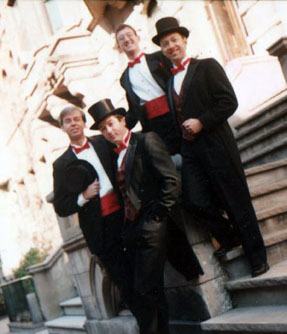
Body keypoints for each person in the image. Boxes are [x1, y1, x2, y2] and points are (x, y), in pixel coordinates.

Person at [87, 98, 200, 334]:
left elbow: (170, 181)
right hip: (134, 230)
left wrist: (157, 217)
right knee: (149, 293)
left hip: (154, 226)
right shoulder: (116, 155)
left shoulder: (146, 140)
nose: (109, 131)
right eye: (103, 128)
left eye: (111, 123)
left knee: (145, 291)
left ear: (123, 121)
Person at [154, 17, 269, 278]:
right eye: (165, 43)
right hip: (192, 151)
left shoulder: (206, 66)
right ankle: (229, 237)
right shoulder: (170, 82)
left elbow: (229, 102)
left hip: (218, 145)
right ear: (162, 50)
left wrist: (201, 122)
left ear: (184, 41)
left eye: (174, 40)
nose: (171, 46)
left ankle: (257, 258)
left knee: (236, 201)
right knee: (194, 200)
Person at [52, 106, 131, 297]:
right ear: (62, 127)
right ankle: (148, 325)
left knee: (142, 272)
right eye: (68, 121)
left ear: (84, 123)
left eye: (76, 119)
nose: (73, 124)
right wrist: (83, 197)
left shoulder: (104, 142)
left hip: (125, 215)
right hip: (99, 227)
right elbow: (60, 206)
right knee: (123, 281)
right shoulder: (61, 164)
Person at [116, 23, 181, 157]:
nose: (126, 40)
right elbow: (134, 109)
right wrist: (118, 126)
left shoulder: (159, 57)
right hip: (154, 127)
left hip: (176, 116)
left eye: (129, 35)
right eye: (121, 39)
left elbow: (179, 81)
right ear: (119, 47)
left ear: (137, 37)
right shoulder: (124, 78)